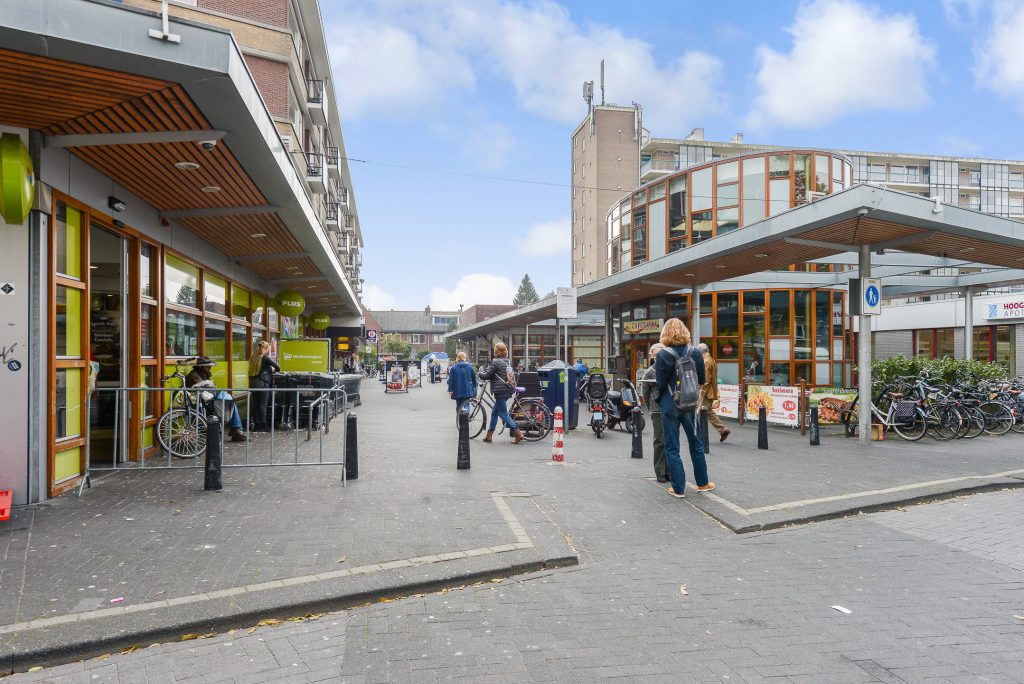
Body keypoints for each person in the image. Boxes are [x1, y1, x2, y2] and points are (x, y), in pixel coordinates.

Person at [654, 319, 714, 498]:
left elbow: (660, 384)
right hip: (690, 403)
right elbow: (702, 379)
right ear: (685, 332)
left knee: (672, 447)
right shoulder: (695, 352)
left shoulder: (662, 355)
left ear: (665, 333)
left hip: (670, 404)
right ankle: (703, 483)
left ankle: (678, 488)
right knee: (696, 444)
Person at [186, 357, 248, 442]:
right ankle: (236, 429)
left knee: (230, 402)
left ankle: (236, 429)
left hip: (206, 399)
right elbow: (204, 387)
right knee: (230, 402)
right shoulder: (194, 375)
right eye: (208, 366)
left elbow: (209, 388)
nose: (210, 368)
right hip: (202, 401)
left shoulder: (204, 374)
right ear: (201, 367)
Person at [478, 342, 524, 444]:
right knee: (495, 412)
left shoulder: (496, 362)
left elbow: (487, 375)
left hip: (500, 391)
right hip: (508, 389)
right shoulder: (508, 361)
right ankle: (489, 435)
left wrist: (479, 374)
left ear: (496, 351)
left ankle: (518, 433)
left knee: (503, 413)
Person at [640, 343, 668, 482]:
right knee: (660, 440)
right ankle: (660, 471)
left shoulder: (670, 368)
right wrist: (651, 408)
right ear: (652, 356)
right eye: (655, 355)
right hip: (657, 410)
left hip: (670, 409)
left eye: (660, 354)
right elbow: (645, 393)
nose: (657, 357)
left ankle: (670, 470)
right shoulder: (650, 372)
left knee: (671, 441)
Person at [697, 343, 731, 443]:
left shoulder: (706, 361)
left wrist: (701, 392)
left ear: (700, 352)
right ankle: (723, 430)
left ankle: (698, 436)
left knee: (700, 412)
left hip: (706, 392)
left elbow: (706, 380)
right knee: (707, 412)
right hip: (710, 391)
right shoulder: (711, 359)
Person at [248, 340, 281, 432]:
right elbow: (278, 367)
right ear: (266, 349)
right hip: (262, 384)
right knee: (262, 405)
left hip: (252, 383)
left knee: (255, 405)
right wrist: (273, 370)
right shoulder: (265, 357)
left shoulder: (253, 356)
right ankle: (263, 425)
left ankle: (256, 425)